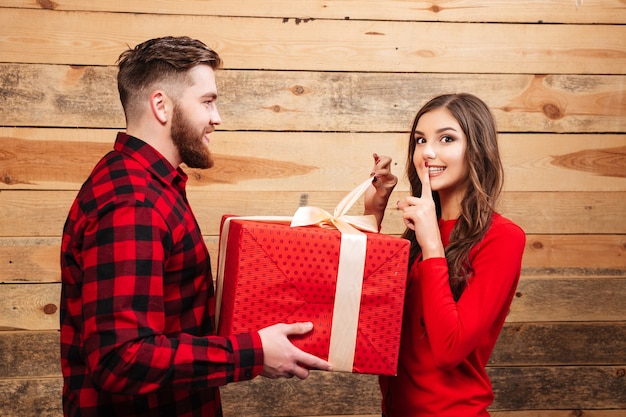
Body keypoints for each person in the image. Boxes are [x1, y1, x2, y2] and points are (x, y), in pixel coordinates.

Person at [60, 36, 331, 417]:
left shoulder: (153, 186)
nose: (216, 118)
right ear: (161, 105)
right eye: (207, 102)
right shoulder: (132, 202)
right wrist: (252, 353)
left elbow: (174, 317)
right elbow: (121, 359)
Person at [365, 93, 526, 416]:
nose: (428, 152)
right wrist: (372, 214)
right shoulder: (421, 230)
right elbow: (367, 309)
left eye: (447, 139)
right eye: (420, 140)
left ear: (478, 149)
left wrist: (433, 247)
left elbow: (449, 350)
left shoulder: (503, 238)